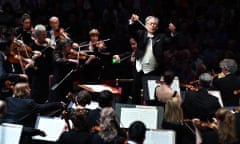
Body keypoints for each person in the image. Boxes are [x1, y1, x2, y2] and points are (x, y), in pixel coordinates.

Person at [128, 14, 178, 104]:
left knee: (150, 95)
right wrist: (132, 21)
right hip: (139, 68)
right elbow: (131, 31)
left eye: (155, 24)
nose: (153, 26)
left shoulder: (161, 37)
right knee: (135, 92)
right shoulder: (141, 34)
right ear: (146, 25)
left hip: (152, 70)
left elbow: (170, 41)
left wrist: (173, 32)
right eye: (150, 24)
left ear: (157, 27)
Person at [28, 24, 54, 103]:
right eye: (43, 35)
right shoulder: (31, 46)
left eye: (45, 34)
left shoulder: (49, 46)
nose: (45, 36)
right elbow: (28, 61)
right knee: (35, 95)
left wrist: (52, 45)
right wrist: (33, 57)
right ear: (37, 35)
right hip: (35, 75)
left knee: (45, 95)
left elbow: (52, 59)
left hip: (46, 75)